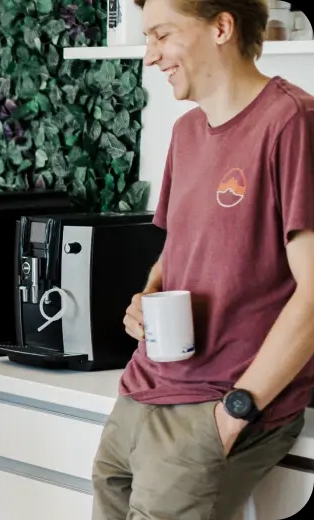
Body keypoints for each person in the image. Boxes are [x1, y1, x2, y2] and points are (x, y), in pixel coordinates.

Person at [92, 0, 314, 518]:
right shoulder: (186, 132)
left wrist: (234, 413)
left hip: (213, 409)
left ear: (221, 27)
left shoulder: (292, 122)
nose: (151, 56)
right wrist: (145, 298)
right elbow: (177, 251)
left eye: (163, 35)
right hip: (139, 398)